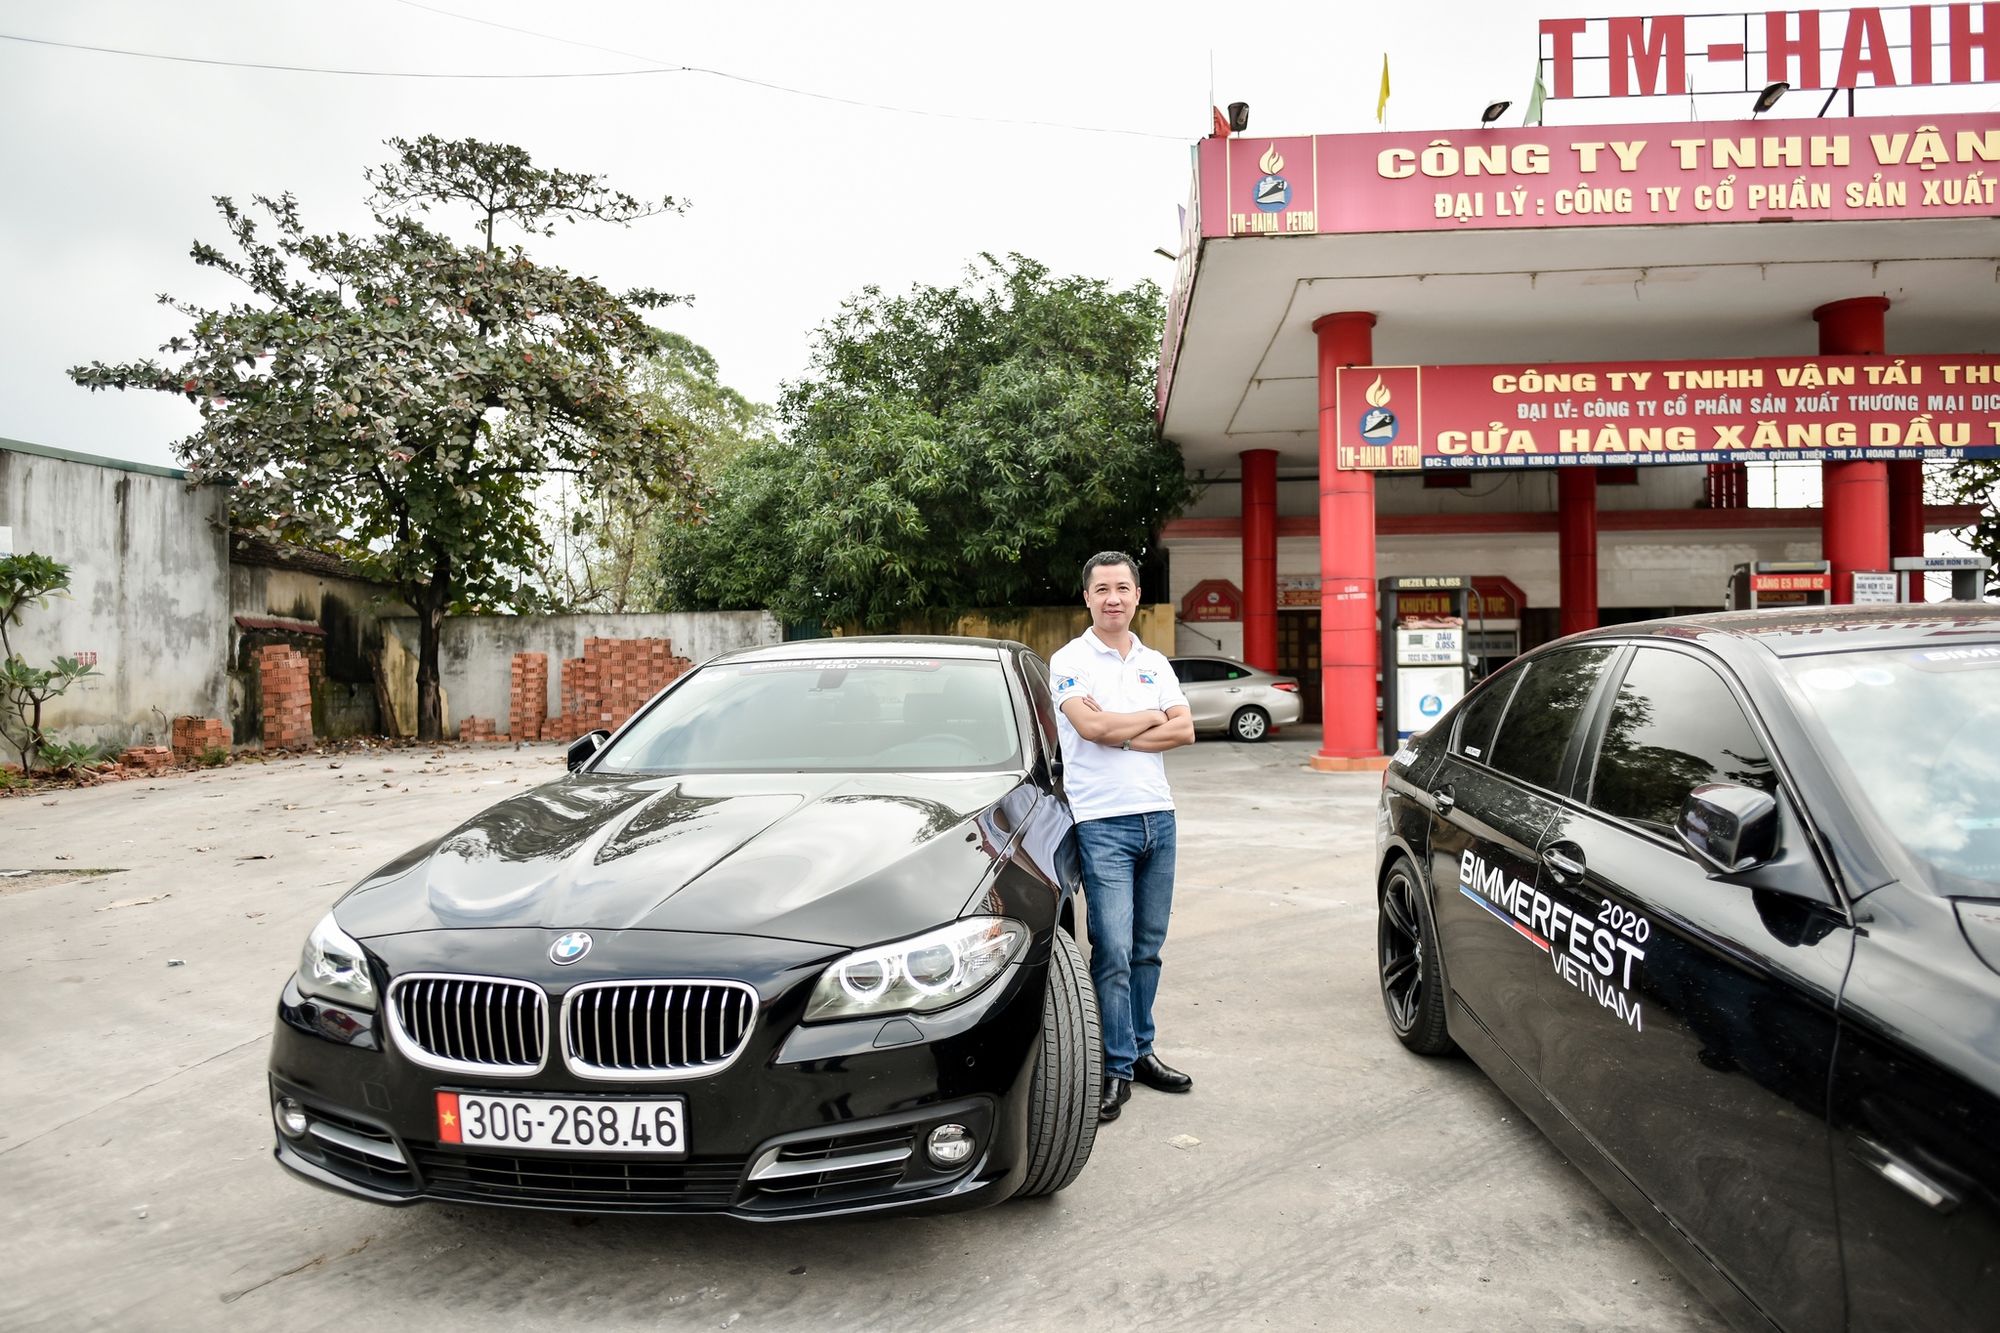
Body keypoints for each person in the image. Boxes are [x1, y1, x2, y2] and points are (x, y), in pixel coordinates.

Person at [1049, 550, 1196, 1122]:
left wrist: (1124, 734)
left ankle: (1141, 1051)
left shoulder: (1154, 661)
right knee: (1111, 948)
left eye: (1123, 588)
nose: (1113, 598)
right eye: (1102, 589)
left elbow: (1185, 730)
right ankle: (1113, 1068)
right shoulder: (1069, 659)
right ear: (1087, 597)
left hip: (1159, 817)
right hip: (1102, 822)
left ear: (1137, 596)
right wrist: (1150, 718)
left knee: (1146, 948)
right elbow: (1089, 727)